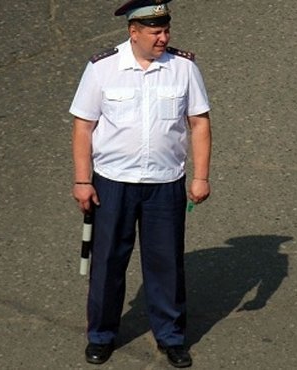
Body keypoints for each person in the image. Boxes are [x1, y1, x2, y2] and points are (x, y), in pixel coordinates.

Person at [69, 0, 211, 367]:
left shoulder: (183, 68)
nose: (163, 38)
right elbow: (84, 127)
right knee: (107, 264)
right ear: (134, 32)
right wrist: (83, 180)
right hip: (113, 184)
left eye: (166, 31)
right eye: (155, 32)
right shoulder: (103, 68)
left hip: (165, 184)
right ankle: (101, 335)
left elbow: (199, 123)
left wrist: (200, 176)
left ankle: (171, 336)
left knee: (166, 265)